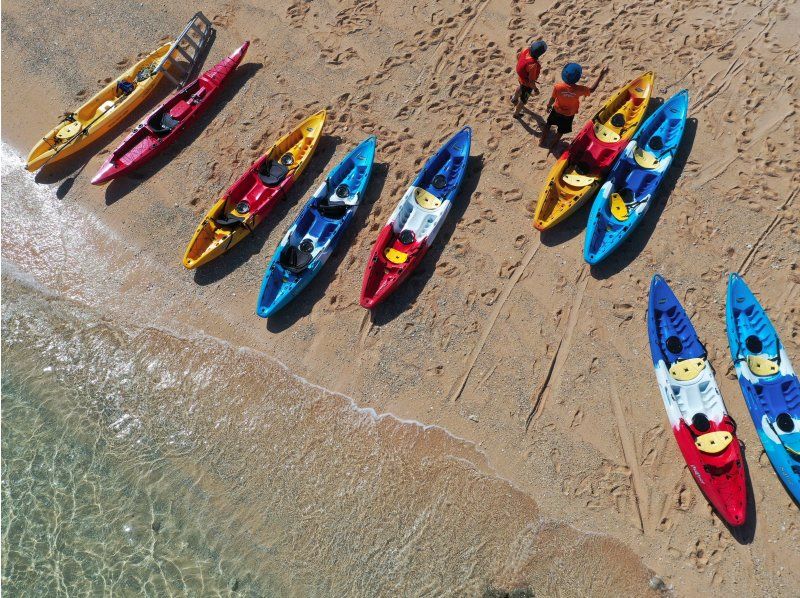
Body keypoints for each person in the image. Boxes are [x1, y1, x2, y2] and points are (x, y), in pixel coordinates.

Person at [540, 63, 608, 149]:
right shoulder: (580, 89)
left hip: (556, 110)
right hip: (568, 115)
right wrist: (600, 76)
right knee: (561, 131)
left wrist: (548, 106)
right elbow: (592, 89)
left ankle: (542, 140)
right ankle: (553, 145)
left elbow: (552, 99)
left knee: (548, 124)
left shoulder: (558, 87)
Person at [511, 40, 547, 117]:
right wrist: (535, 89)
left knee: (520, 87)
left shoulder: (525, 50)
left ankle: (514, 99)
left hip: (521, 78)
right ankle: (516, 113)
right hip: (527, 84)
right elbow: (531, 82)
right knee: (523, 100)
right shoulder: (533, 65)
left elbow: (518, 56)